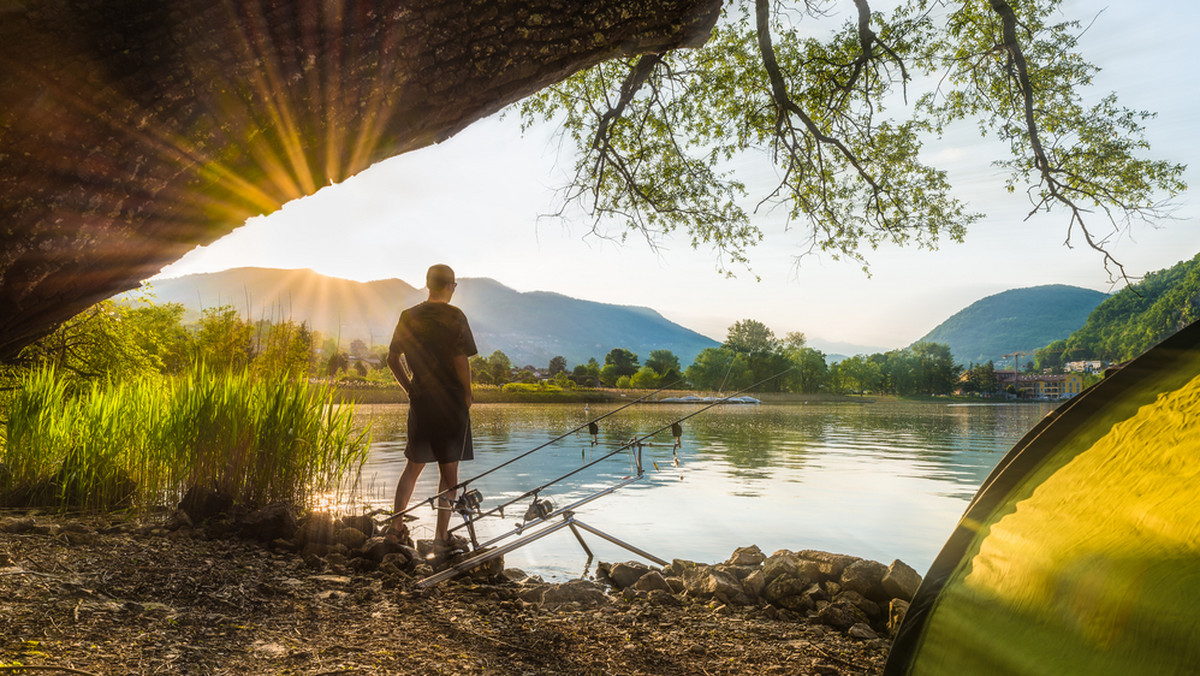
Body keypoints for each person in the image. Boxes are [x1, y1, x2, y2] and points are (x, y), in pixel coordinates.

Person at [386, 264, 477, 561]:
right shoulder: (455, 316)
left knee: (413, 466)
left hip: (422, 401)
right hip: (451, 401)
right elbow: (461, 359)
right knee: (448, 470)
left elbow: (392, 358)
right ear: (450, 285)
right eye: (454, 285)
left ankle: (395, 528)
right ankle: (440, 537)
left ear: (427, 284)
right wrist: (467, 393)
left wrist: (409, 388)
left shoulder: (408, 316)